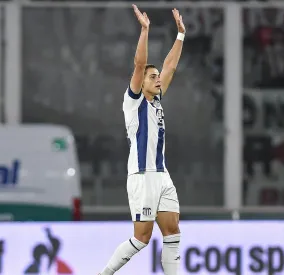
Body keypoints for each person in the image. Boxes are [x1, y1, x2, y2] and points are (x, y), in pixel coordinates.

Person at [99, 5, 185, 275]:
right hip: (142, 174)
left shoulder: (157, 99)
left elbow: (170, 66)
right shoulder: (133, 102)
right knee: (142, 238)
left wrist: (180, 35)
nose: (158, 78)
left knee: (172, 232)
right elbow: (139, 64)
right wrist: (145, 31)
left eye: (157, 76)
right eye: (152, 76)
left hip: (161, 174)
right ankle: (104, 273)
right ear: (142, 82)